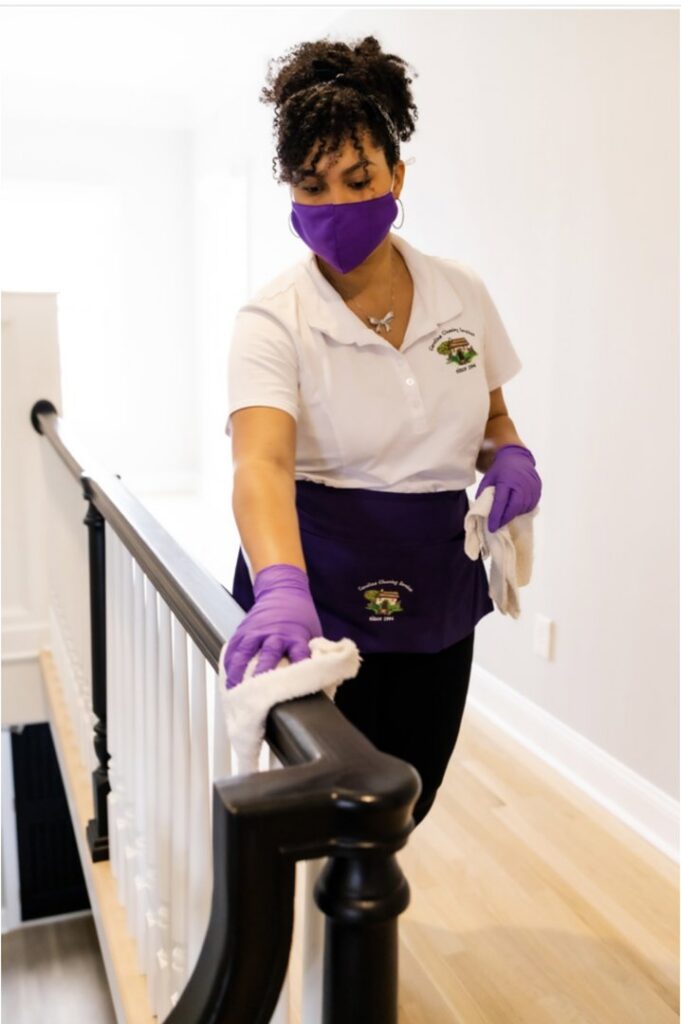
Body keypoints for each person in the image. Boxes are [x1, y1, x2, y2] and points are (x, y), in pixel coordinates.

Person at [222, 35, 542, 826]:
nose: (335, 204)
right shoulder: (272, 319)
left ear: (397, 175)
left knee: (408, 794)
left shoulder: (460, 294)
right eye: (311, 185)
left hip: (435, 578)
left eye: (358, 179)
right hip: (316, 586)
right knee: (320, 809)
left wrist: (510, 457)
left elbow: (491, 419)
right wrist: (280, 588)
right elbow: (260, 464)